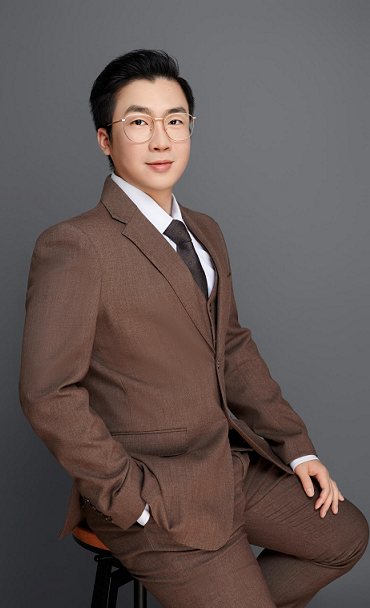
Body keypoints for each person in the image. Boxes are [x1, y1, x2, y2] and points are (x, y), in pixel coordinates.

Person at [19, 49, 368, 607]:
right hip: (154, 489)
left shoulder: (205, 231)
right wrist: (128, 496)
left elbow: (231, 345)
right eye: (139, 122)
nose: (161, 140)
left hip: (228, 464)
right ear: (105, 139)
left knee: (345, 536)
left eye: (175, 121)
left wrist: (298, 449)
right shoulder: (76, 245)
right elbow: (48, 393)